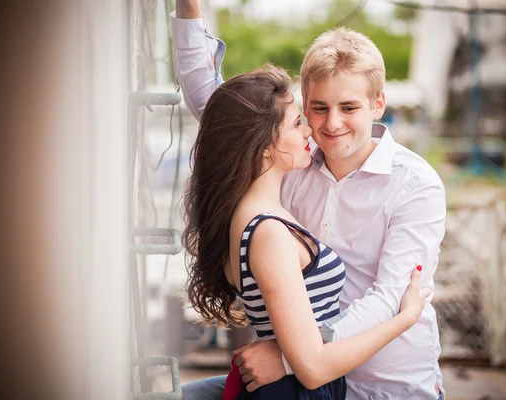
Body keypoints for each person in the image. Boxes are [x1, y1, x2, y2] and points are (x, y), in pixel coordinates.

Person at [171, 1, 447, 399]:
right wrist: (188, 6)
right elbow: (220, 112)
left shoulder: (415, 184)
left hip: (386, 386)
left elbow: (392, 297)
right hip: (304, 380)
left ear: (378, 104)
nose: (332, 123)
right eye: (318, 109)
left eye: (349, 107)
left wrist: (286, 355)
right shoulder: (290, 162)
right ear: (305, 105)